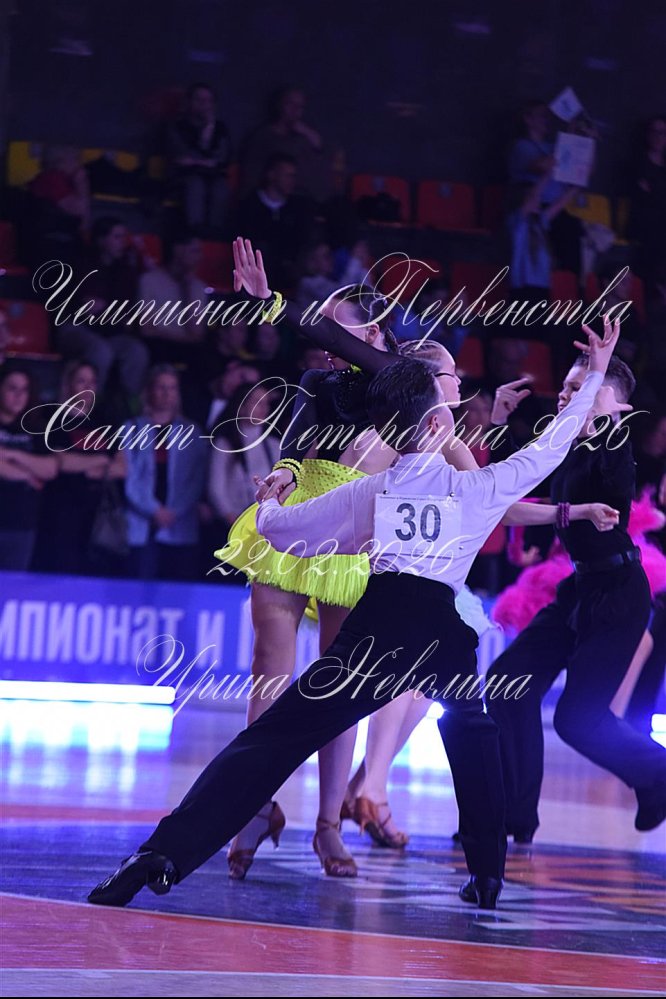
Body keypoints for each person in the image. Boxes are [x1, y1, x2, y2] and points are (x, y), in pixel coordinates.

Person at [88, 315, 621, 912]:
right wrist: (596, 370)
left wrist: (268, 505)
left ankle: (161, 855)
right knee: (474, 732)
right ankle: (488, 876)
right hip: (444, 632)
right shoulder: (479, 488)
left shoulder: (370, 491)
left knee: (272, 739)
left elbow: (286, 533)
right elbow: (553, 445)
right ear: (438, 424)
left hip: (378, 628)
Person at [486, 352, 666, 843]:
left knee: (577, 721)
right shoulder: (564, 445)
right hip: (579, 590)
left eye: (577, 388)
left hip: (619, 595)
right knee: (506, 685)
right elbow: (506, 486)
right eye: (565, 387)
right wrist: (499, 424)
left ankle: (657, 774)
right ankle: (515, 819)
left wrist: (604, 422)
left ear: (609, 402)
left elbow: (614, 491)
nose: (563, 395)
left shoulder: (616, 447)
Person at [124, 365, 207, 581]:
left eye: (172, 388)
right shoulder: (131, 428)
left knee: (177, 587)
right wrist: (153, 509)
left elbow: (197, 479)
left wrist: (173, 511)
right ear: (149, 390)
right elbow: (129, 476)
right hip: (140, 522)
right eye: (161, 387)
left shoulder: (192, 431)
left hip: (179, 523)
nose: (166, 393)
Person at [0, 366, 58, 569]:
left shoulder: (35, 428)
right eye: (12, 388)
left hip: (22, 526)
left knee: (14, 585)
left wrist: (13, 454)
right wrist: (28, 475)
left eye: (24, 390)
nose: (19, 396)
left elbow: (50, 469)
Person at [167, 83, 231, 231]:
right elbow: (182, 157)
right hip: (181, 178)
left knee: (221, 188)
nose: (204, 104)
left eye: (208, 100)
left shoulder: (220, 128)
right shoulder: (177, 126)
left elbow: (222, 158)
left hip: (212, 177)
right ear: (189, 102)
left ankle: (214, 234)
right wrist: (205, 159)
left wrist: (209, 129)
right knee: (196, 184)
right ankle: (194, 232)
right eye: (199, 99)